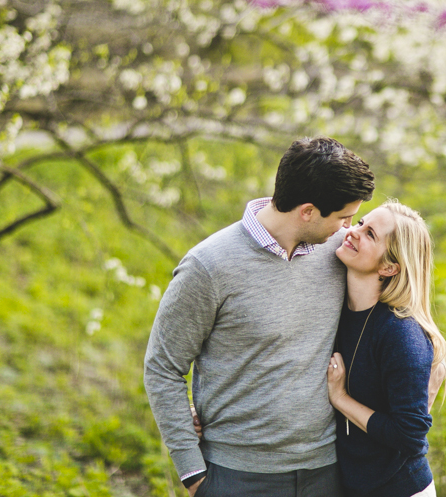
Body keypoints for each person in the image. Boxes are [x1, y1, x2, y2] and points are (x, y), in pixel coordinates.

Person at [144, 136, 375, 497]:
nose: (349, 228)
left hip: (327, 470)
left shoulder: (341, 253)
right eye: (344, 217)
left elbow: (397, 289)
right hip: (235, 476)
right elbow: (163, 366)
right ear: (308, 211)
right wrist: (193, 473)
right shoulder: (208, 267)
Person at [327, 200, 446, 497]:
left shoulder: (400, 334)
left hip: (400, 489)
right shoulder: (337, 310)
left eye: (370, 234)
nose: (354, 231)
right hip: (354, 486)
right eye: (360, 223)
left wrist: (340, 398)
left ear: (389, 266)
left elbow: (409, 435)